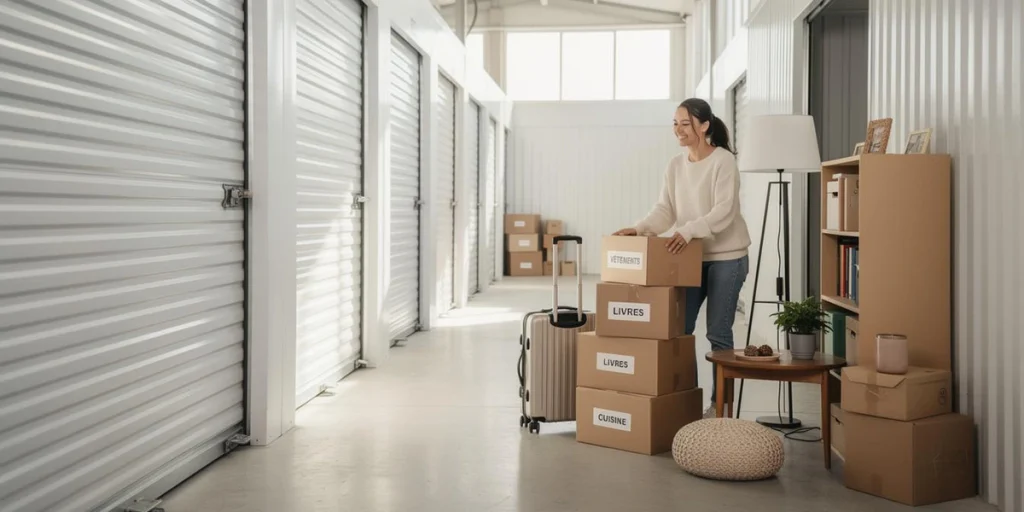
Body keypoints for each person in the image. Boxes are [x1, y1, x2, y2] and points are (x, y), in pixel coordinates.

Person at [613, 98, 751, 418]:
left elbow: (725, 211)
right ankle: (686, 399)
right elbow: (666, 210)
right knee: (681, 330)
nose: (678, 129)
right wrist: (640, 229)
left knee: (717, 332)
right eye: (675, 123)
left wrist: (688, 230)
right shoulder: (675, 165)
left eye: (685, 123)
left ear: (704, 126)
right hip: (691, 258)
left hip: (727, 257)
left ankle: (721, 406)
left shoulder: (723, 161)